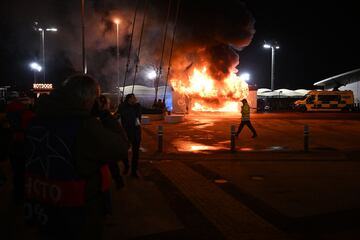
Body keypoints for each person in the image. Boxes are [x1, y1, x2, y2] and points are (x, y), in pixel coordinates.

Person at [24, 74, 129, 240]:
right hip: (77, 212)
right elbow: (121, 147)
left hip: (42, 205)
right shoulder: (84, 126)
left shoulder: (37, 119)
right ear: (88, 99)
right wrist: (105, 114)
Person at [92, 94, 129, 190]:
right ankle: (118, 180)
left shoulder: (105, 117)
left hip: (109, 145)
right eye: (107, 103)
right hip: (108, 145)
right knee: (111, 163)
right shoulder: (104, 117)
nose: (108, 105)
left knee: (111, 163)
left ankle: (118, 179)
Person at [118, 93, 141, 178]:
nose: (135, 99)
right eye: (133, 98)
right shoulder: (123, 107)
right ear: (129, 99)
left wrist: (159, 110)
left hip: (137, 133)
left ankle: (134, 171)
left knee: (136, 153)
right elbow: (117, 115)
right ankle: (126, 165)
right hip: (127, 133)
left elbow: (148, 110)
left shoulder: (137, 106)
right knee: (124, 151)